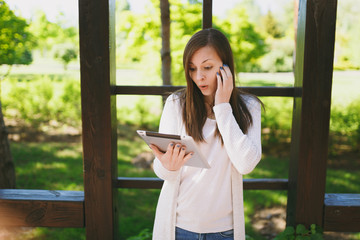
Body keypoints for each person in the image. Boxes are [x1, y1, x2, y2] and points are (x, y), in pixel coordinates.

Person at [149, 28, 263, 240]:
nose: (198, 77)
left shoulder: (250, 107)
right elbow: (161, 170)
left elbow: (246, 164)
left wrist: (222, 107)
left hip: (224, 231)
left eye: (207, 67)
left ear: (226, 66)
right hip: (179, 228)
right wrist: (168, 166)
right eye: (192, 69)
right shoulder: (176, 105)